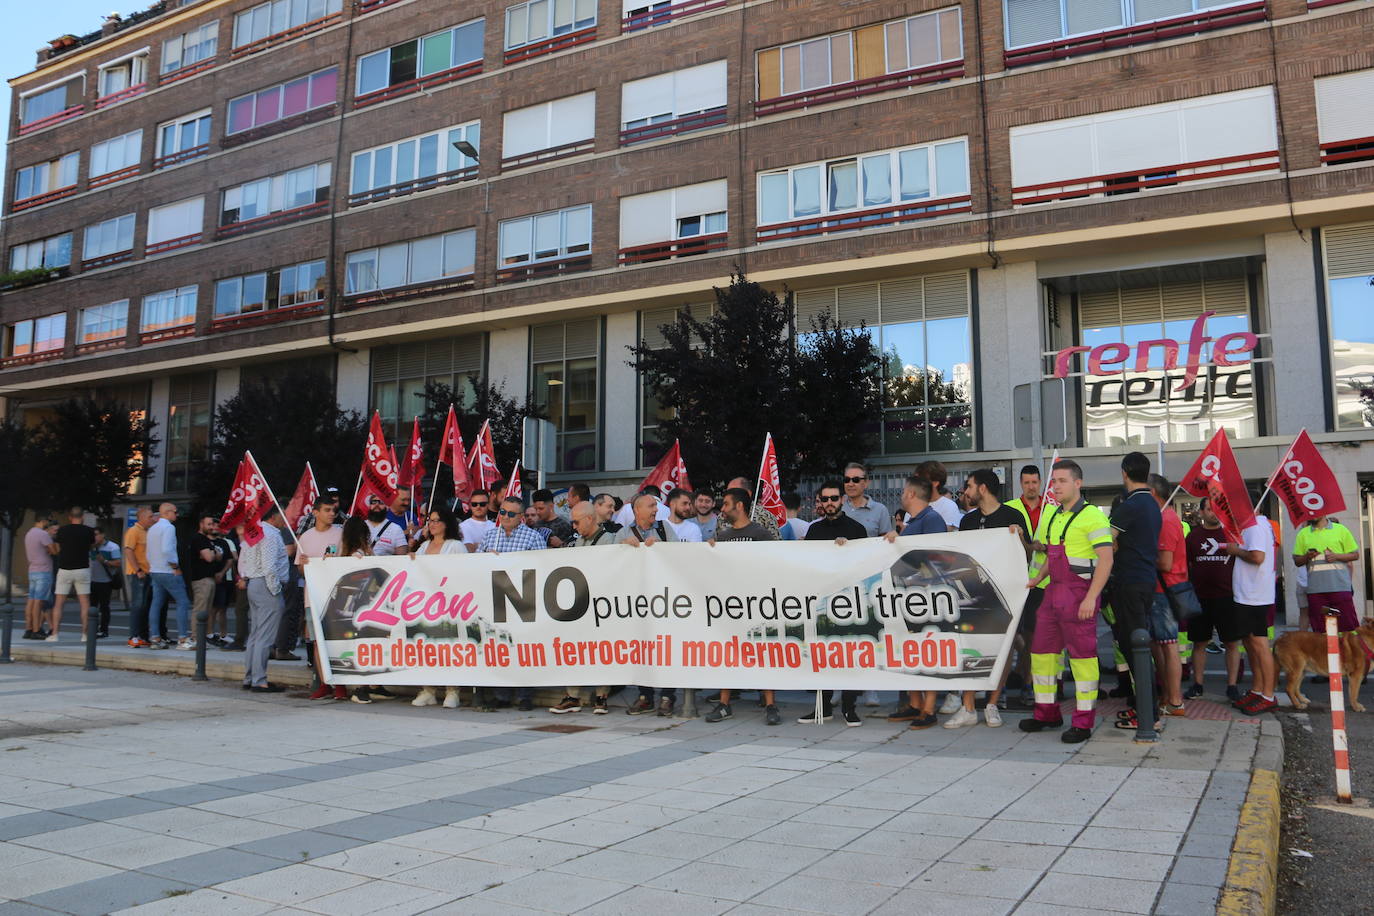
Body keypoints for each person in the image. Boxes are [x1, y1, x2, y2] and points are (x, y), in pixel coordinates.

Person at [1019, 459, 1114, 743]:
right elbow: (1054, 556)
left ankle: (1083, 723)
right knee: (1042, 655)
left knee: (1082, 660)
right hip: (1053, 593)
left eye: (1061, 481)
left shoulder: (1093, 517)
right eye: (1054, 481)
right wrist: (1037, 578)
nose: (1055, 486)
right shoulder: (1056, 515)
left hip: (1079, 595)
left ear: (1077, 484)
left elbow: (1106, 561)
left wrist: (1091, 598)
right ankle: (1046, 714)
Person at [945, 469, 1029, 729]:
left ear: (982, 488)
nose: (965, 492)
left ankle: (992, 704)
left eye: (968, 486)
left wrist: (1020, 538)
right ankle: (968, 706)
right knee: (968, 648)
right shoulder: (968, 520)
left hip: (1005, 594)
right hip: (972, 595)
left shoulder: (1012, 516)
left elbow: (1027, 555)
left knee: (1002, 651)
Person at [704, 487, 782, 726]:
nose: (723, 509)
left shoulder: (760, 533)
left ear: (739, 506)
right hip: (732, 604)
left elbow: (774, 561)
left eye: (726, 505)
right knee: (729, 652)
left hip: (757, 603)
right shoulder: (724, 536)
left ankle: (770, 705)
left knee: (763, 653)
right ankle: (725, 703)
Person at [799, 480, 869, 726]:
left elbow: (865, 563)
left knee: (849, 654)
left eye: (834, 498)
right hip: (820, 602)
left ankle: (850, 708)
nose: (829, 503)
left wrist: (847, 550)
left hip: (849, 602)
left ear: (842, 500)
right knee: (820, 655)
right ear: (820, 502)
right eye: (825, 499)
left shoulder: (857, 528)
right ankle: (823, 707)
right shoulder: (814, 530)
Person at [1106, 452, 1161, 722]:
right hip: (1145, 580)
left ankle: (1147, 714)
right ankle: (1145, 708)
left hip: (1129, 582)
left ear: (1124, 472)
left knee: (1135, 647)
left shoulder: (1129, 506)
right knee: (1138, 645)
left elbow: (1106, 543)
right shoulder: (1151, 504)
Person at [478, 496, 546, 710]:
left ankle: (526, 695)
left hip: (524, 600)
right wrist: (485, 559)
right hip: (496, 601)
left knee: (524, 649)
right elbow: (473, 567)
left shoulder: (532, 538)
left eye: (511, 514)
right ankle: (503, 694)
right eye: (503, 512)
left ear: (521, 517)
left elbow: (543, 567)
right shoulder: (490, 536)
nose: (505, 517)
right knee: (500, 646)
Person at [550, 503, 616, 715]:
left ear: (589, 518)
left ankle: (601, 696)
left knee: (601, 649)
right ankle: (572, 695)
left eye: (577, 522)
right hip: (579, 603)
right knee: (575, 650)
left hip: (599, 604)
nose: (574, 526)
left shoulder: (607, 540)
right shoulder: (579, 541)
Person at [619, 493, 681, 716]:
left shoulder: (664, 529)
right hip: (637, 602)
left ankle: (667, 696)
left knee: (666, 647)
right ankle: (645, 695)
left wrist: (661, 548)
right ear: (637, 510)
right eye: (651, 506)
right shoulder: (623, 533)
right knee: (641, 648)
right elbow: (608, 559)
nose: (656, 509)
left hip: (664, 600)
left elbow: (680, 556)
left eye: (656, 505)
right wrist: (624, 547)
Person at [1184, 498, 1242, 701]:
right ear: (1200, 512)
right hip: (1200, 598)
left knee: (1231, 643)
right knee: (1199, 644)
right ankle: (1198, 684)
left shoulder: (1231, 535)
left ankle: (1232, 686)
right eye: (1208, 509)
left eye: (1216, 509)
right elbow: (1187, 565)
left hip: (1227, 597)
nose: (1212, 513)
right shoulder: (1192, 537)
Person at [410, 507, 467, 710]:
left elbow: (463, 572)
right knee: (426, 648)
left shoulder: (455, 546)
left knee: (449, 648)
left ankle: (452, 691)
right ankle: (428, 690)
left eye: (436, 520)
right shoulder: (424, 546)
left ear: (446, 523)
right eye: (430, 520)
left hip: (450, 605)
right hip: (425, 606)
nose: (432, 524)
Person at [1230, 506, 1278, 714]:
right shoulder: (1251, 526)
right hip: (1247, 595)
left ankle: (1268, 695)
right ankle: (1258, 689)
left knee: (1259, 644)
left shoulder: (1256, 525)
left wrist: (1235, 551)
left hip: (1256, 596)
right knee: (1250, 643)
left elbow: (1258, 557)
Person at [297, 498, 345, 702]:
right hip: (313, 597)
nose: (332, 514)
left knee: (339, 640)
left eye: (334, 510)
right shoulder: (305, 537)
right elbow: (300, 569)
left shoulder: (341, 533)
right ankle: (325, 683)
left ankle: (341, 685)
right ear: (315, 512)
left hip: (337, 597)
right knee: (318, 642)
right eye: (327, 510)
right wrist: (305, 565)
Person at [1148, 474, 1188, 718]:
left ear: (1153, 493)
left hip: (1165, 591)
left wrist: (1139, 555)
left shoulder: (1166, 520)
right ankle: (1168, 697)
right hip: (1160, 591)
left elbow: (1165, 562)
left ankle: (1175, 700)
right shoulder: (1162, 518)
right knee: (1160, 647)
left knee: (1168, 646)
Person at [238, 509, 291, 693]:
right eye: (283, 515)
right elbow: (269, 567)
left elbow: (244, 558)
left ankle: (250, 677)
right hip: (266, 585)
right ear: (273, 516)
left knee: (256, 634)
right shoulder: (269, 534)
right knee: (265, 636)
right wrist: (276, 590)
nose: (285, 519)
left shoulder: (255, 531)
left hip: (254, 583)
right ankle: (259, 680)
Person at [1293, 514, 1361, 634]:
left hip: (1340, 588)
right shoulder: (1303, 534)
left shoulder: (1341, 530)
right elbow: (1297, 561)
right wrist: (1307, 557)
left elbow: (1355, 555)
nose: (1311, 514)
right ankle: (1326, 653)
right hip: (1316, 591)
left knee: (1347, 629)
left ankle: (1346, 653)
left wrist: (1336, 556)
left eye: (1314, 511)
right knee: (1321, 631)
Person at [147, 503, 191, 650]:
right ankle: (183, 639)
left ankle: (155, 638)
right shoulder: (169, 528)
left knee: (156, 603)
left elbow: (149, 552)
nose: (177, 515)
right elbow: (167, 549)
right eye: (175, 512)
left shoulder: (152, 528)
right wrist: (175, 566)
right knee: (183, 602)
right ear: (167, 513)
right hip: (168, 570)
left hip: (155, 570)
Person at [50, 507, 96, 642]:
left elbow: (57, 549)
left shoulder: (62, 530)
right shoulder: (88, 531)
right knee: (84, 603)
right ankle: (85, 634)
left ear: (70, 517)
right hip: (82, 568)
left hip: (64, 568)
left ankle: (55, 634)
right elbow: (92, 547)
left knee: (59, 603)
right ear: (82, 517)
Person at [186, 516, 222, 651]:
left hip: (209, 578)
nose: (212, 526)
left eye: (213, 524)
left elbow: (217, 556)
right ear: (201, 524)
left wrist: (212, 553)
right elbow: (210, 557)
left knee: (206, 610)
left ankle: (201, 638)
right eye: (209, 524)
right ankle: (196, 638)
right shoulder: (198, 539)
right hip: (201, 579)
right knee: (200, 609)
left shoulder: (207, 540)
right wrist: (213, 553)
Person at [122, 507, 154, 647]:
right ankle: (133, 636)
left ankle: (143, 636)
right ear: (141, 518)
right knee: (137, 605)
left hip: (148, 573)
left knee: (145, 606)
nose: (152, 519)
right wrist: (138, 570)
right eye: (150, 517)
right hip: (137, 574)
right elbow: (128, 551)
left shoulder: (148, 532)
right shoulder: (133, 531)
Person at [22, 516, 56, 640]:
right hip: (43, 571)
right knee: (39, 601)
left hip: (32, 570)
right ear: (43, 520)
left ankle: (28, 629)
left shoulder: (29, 533)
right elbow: (54, 550)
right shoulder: (42, 534)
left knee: (31, 600)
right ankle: (36, 630)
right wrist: (51, 547)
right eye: (48, 520)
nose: (49, 523)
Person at [840, 462, 892, 537]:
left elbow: (886, 541)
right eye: (847, 480)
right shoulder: (837, 507)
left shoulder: (880, 510)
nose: (850, 484)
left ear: (866, 483)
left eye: (856, 480)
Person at [89, 528, 121, 639]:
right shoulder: (91, 547)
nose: (94, 537)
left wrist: (105, 561)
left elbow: (118, 563)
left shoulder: (113, 547)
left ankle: (104, 630)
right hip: (92, 581)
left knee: (104, 607)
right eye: (93, 535)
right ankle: (93, 628)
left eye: (96, 535)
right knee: (92, 607)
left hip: (105, 582)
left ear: (103, 535)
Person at [916, 460, 961, 531]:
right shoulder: (914, 505)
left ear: (935, 483)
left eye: (921, 480)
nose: (916, 485)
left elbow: (943, 533)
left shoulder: (949, 506)